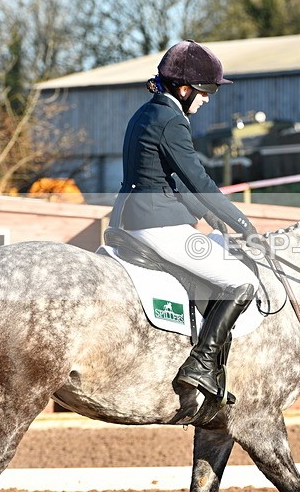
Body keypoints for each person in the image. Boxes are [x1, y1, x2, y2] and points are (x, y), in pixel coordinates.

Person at [110, 40, 258, 405]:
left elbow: (162, 177)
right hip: (160, 226)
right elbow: (198, 179)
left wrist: (208, 215)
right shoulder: (172, 120)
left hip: (133, 219)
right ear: (185, 88)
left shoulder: (146, 113)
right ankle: (202, 363)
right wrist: (242, 222)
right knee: (242, 281)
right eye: (205, 92)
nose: (207, 100)